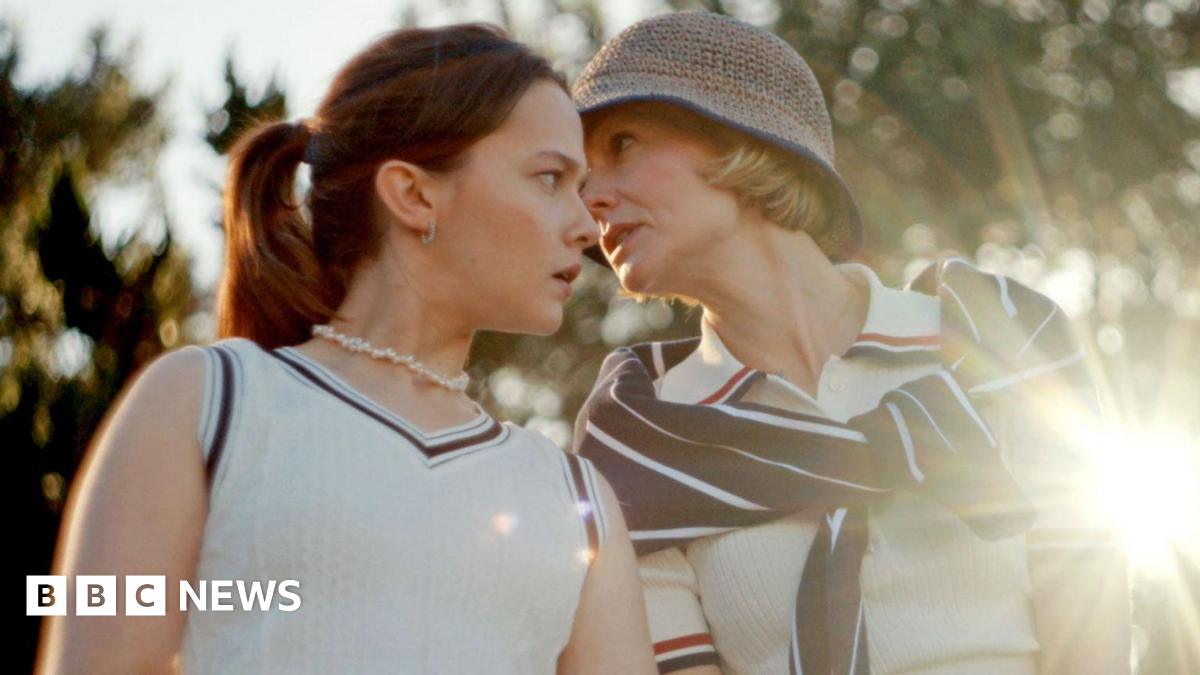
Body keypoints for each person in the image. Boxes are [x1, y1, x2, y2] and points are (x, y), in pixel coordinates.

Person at [37, 24, 656, 675]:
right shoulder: (205, 401)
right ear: (414, 195)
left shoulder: (578, 501)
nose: (588, 226)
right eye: (550, 177)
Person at [572, 11, 1129, 675]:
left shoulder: (1003, 339)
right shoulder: (638, 439)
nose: (589, 202)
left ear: (740, 134)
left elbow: (1091, 639)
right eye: (576, 181)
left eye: (623, 144)